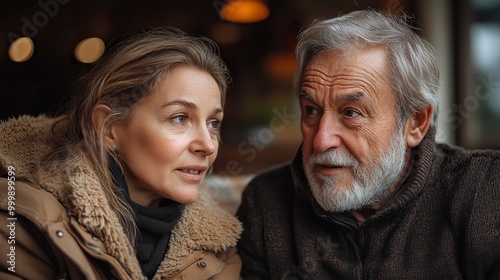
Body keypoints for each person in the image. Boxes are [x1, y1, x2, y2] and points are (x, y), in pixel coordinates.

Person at [237, 9, 500, 279]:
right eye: (312, 111)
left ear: (416, 123)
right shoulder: (266, 204)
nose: (321, 140)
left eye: (351, 112)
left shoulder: (484, 193)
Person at [0, 27, 242, 279]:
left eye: (213, 123)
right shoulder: (21, 220)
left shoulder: (220, 244)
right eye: (180, 118)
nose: (208, 145)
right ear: (109, 128)